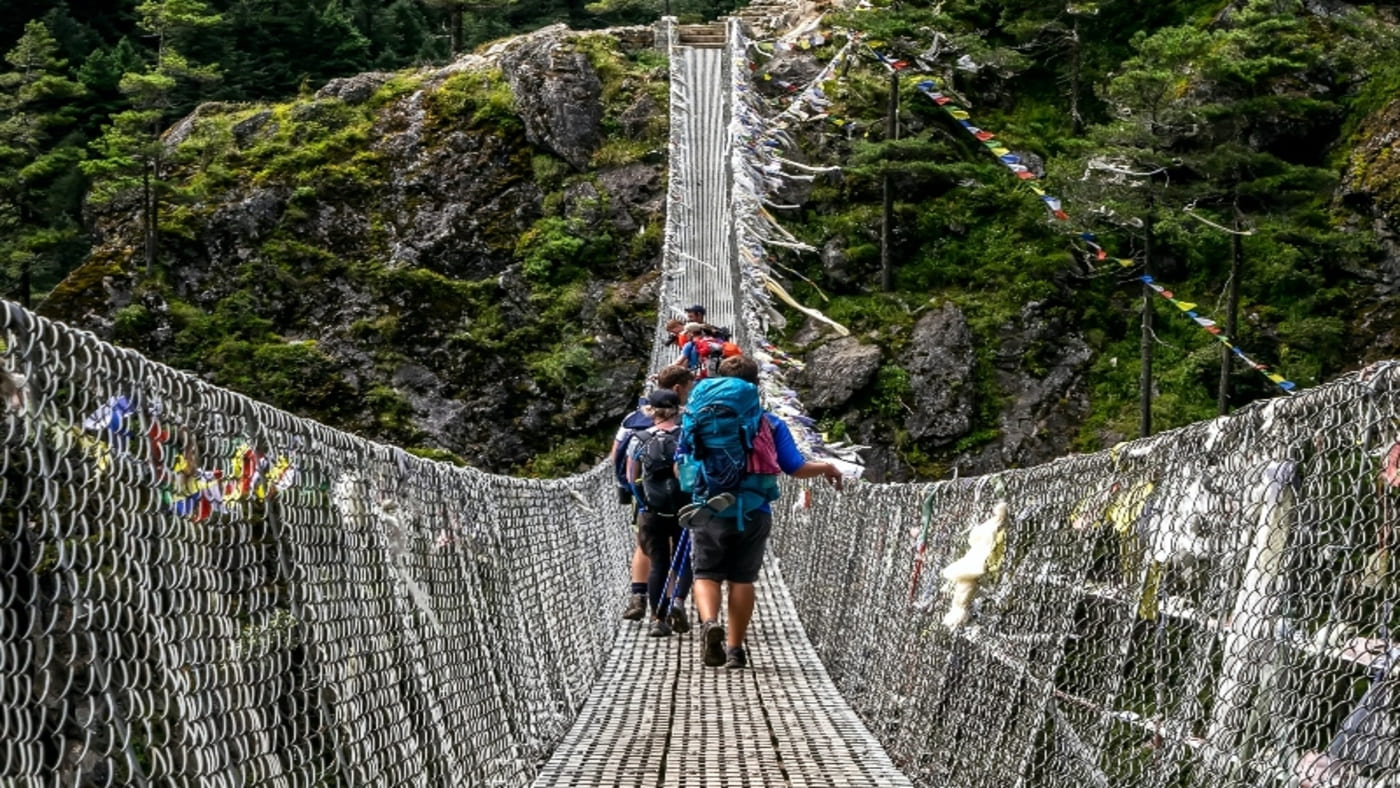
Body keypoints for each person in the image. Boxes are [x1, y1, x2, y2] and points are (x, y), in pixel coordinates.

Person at [688, 354, 843, 669]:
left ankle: (708, 623)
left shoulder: (701, 416)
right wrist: (827, 465)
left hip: (710, 507)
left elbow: (686, 460)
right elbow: (795, 468)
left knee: (706, 574)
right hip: (755, 509)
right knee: (742, 579)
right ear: (756, 386)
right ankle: (734, 650)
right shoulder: (770, 422)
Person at [611, 365, 695, 620]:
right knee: (681, 552)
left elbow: (618, 459)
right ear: (678, 391)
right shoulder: (688, 425)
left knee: (649, 550)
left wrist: (630, 490)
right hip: (683, 502)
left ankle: (642, 599)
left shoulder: (633, 423)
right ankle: (676, 601)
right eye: (688, 389)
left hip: (648, 500)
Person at [627, 388, 693, 636]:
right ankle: (677, 602)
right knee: (683, 559)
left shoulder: (639, 437)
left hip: (653, 511)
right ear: (678, 410)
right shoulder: (687, 436)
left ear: (650, 411)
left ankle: (658, 619)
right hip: (685, 508)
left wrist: (642, 503)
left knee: (659, 564)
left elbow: (630, 478)